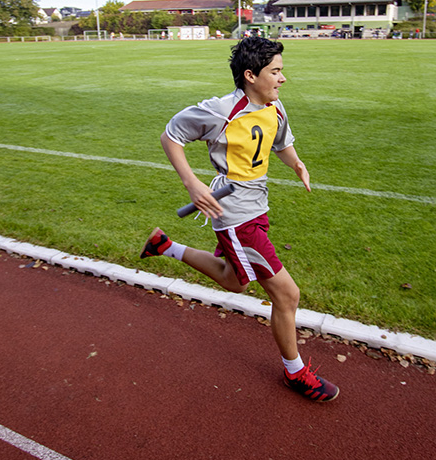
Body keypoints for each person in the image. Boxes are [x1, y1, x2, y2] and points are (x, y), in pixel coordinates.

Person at [140, 36, 339, 402]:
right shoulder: (220, 111)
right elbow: (171, 136)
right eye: (275, 72)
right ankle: (295, 373)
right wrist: (192, 183)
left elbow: (280, 142)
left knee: (235, 281)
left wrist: (296, 163)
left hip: (257, 207)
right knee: (287, 294)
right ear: (250, 75)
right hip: (234, 215)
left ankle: (164, 246)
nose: (282, 78)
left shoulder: (275, 107)